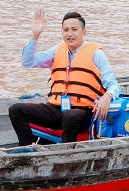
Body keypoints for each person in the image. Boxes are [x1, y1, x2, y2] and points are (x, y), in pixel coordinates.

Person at [7, 9, 120, 146]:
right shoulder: (57, 51)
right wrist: (36, 34)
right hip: (56, 110)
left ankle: (66, 156)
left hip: (84, 113)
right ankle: (27, 150)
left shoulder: (96, 54)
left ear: (84, 32)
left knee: (70, 116)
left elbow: (114, 85)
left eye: (74, 29)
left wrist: (107, 98)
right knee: (16, 110)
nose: (70, 34)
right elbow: (28, 61)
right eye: (66, 30)